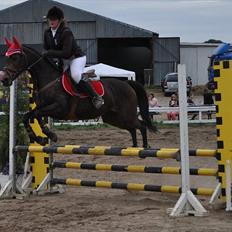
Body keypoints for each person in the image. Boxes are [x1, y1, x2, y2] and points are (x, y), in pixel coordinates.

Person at [43, 6, 104, 109]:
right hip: (62, 59)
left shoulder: (66, 32)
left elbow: (66, 53)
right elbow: (46, 49)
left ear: (59, 20)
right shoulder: (47, 33)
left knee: (75, 75)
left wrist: (50, 53)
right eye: (50, 19)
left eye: (54, 19)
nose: (51, 21)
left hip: (76, 58)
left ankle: (96, 97)